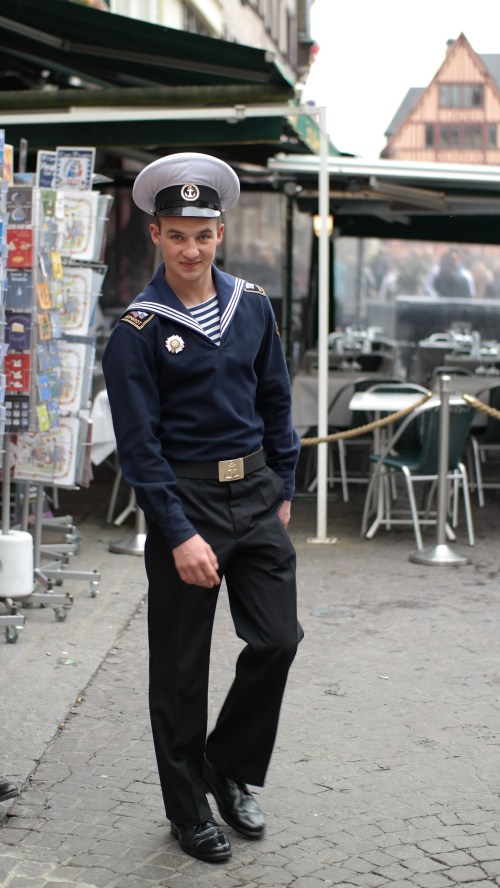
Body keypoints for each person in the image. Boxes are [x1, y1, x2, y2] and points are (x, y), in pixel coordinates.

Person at [102, 152, 303, 863]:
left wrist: (283, 485)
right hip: (184, 502)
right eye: (178, 234)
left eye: (205, 233)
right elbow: (140, 449)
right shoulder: (135, 332)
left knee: (279, 639)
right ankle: (188, 811)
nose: (192, 248)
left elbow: (277, 401)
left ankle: (228, 767)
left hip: (254, 495)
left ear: (222, 232)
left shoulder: (252, 307)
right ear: (155, 234)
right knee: (182, 669)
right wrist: (179, 532)